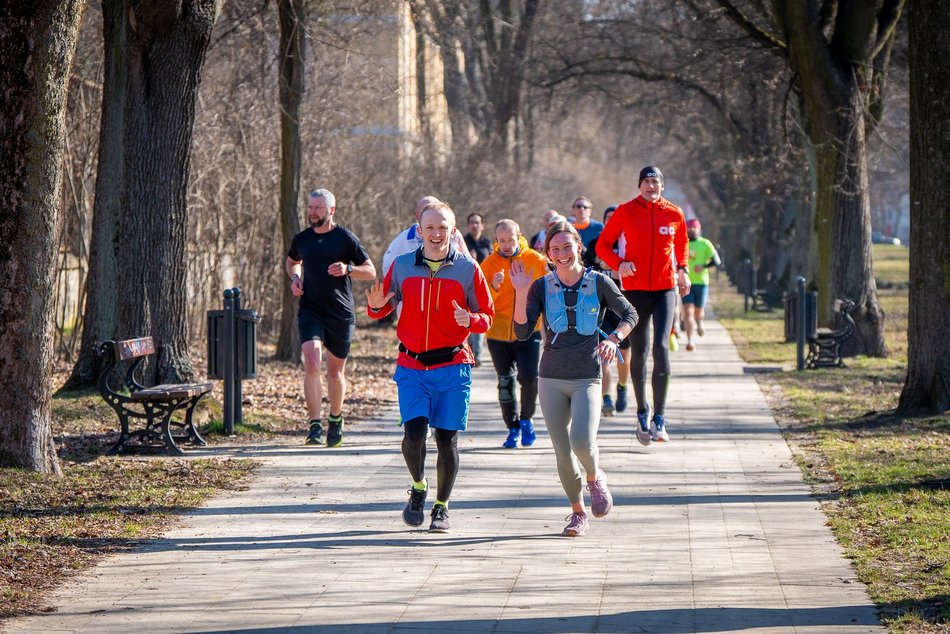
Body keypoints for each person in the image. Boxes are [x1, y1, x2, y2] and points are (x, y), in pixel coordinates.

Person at [366, 202, 494, 533]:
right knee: (413, 435)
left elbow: (488, 316)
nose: (436, 234)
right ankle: (418, 486)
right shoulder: (402, 266)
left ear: (453, 231)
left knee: (446, 439)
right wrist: (375, 307)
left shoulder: (468, 269)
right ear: (420, 231)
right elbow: (382, 307)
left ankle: (441, 507)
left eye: (443, 228)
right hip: (411, 364)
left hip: (452, 365)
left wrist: (472, 319)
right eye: (430, 228)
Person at [511, 221, 637, 537]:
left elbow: (630, 314)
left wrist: (614, 339)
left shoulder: (599, 282)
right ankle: (578, 513)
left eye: (567, 246)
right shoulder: (540, 286)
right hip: (550, 378)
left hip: (587, 377)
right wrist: (520, 292)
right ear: (548, 253)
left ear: (579, 247)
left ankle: (595, 477)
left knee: (581, 440)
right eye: (555, 249)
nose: (562, 253)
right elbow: (522, 332)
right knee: (562, 450)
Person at [596, 166, 690, 445]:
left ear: (662, 185)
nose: (651, 186)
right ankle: (642, 412)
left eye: (655, 181)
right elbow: (603, 246)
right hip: (635, 290)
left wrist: (683, 270)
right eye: (646, 182)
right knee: (639, 351)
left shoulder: (674, 213)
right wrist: (619, 264)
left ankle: (659, 417)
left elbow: (682, 244)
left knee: (661, 347)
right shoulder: (625, 211)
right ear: (640, 186)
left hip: (665, 289)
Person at [286, 189, 377, 447]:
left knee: (335, 373)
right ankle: (314, 424)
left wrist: (348, 269)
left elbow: (370, 271)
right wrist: (295, 278)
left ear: (331, 210)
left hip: (340, 313)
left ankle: (335, 418)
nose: (312, 212)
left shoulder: (344, 238)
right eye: (310, 207)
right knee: (312, 362)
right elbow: (292, 261)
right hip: (311, 310)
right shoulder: (302, 238)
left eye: (318, 207)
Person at [480, 219, 549, 448]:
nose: (507, 245)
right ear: (496, 240)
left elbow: (548, 293)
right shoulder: (489, 264)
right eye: (502, 241)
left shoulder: (536, 260)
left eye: (510, 240)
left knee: (529, 378)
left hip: (529, 330)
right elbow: (481, 302)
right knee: (505, 381)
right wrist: (494, 287)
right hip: (498, 334)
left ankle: (527, 419)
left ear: (519, 237)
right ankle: (512, 428)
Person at [583, 205, 631, 416]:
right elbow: (585, 271)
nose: (612, 221)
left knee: (624, 355)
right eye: (608, 218)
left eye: (615, 218)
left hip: (623, 305)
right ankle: (607, 397)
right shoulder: (596, 245)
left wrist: (617, 268)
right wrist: (599, 267)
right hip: (600, 306)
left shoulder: (628, 244)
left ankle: (622, 386)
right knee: (603, 354)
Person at [381, 195, 470, 280]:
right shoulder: (403, 238)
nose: (436, 234)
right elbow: (388, 267)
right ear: (417, 215)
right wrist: (407, 284)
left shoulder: (455, 234)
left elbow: (468, 265)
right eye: (425, 210)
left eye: (436, 208)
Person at [682, 218, 721, 351]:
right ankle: (690, 340)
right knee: (688, 311)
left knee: (698, 311)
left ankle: (699, 321)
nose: (691, 230)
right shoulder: (683, 243)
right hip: (686, 282)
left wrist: (703, 266)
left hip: (701, 282)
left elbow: (717, 261)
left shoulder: (705, 243)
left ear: (699, 229)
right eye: (689, 227)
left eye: (694, 227)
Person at [463, 212, 493, 365]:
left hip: (483, 287)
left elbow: (492, 262)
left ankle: (478, 355)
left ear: (482, 225)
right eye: (472, 222)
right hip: (466, 286)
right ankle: (468, 351)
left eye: (477, 222)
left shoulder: (487, 243)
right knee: (467, 318)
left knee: (480, 317)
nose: (474, 225)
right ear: (468, 225)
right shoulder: (463, 242)